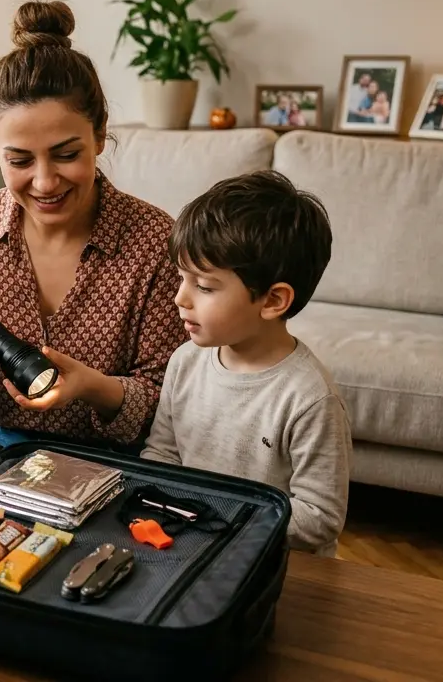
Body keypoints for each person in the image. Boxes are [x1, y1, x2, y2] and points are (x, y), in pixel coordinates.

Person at [0, 0, 188, 449]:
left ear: (100, 134)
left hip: (114, 462)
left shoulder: (152, 238)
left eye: (67, 154)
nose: (45, 182)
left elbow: (166, 401)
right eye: (20, 160)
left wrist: (89, 385)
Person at [140, 170, 351, 557]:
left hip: (274, 566)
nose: (180, 298)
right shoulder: (185, 362)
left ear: (272, 301)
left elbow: (319, 519)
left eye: (204, 286)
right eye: (181, 278)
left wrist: (215, 516)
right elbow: (162, 455)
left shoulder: (309, 398)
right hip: (194, 544)